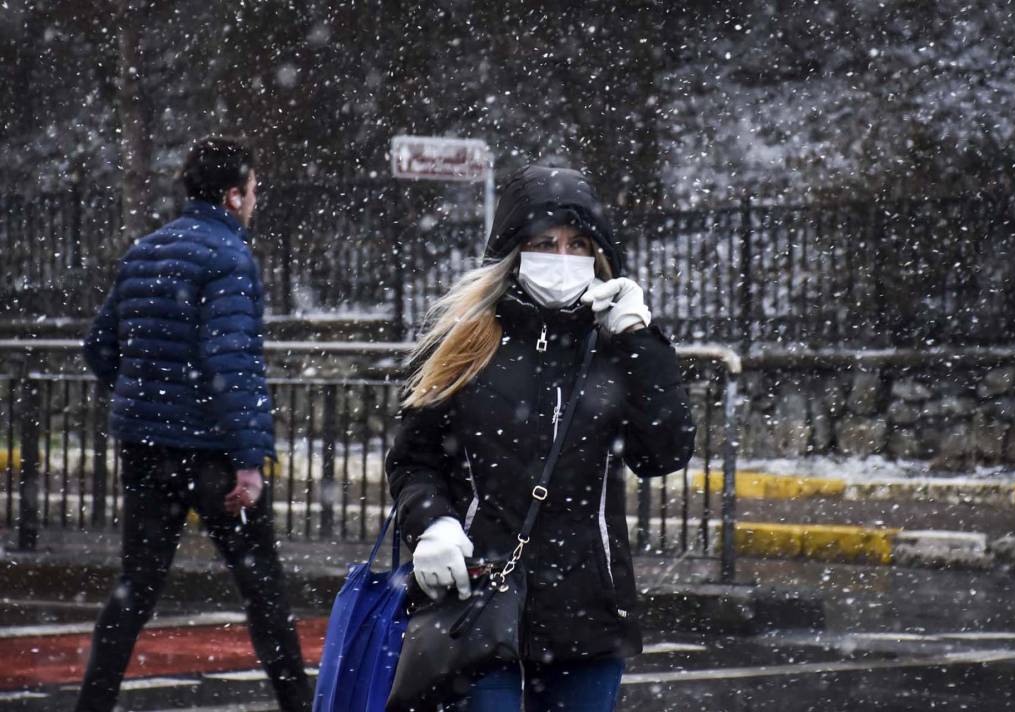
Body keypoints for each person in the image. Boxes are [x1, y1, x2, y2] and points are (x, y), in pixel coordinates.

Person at [386, 165, 695, 711]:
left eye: (578, 243)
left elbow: (665, 451)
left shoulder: (616, 346)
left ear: (599, 256)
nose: (563, 256)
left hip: (588, 606)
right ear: (515, 251)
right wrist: (432, 523)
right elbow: (414, 459)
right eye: (545, 242)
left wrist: (642, 342)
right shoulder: (467, 342)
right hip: (478, 597)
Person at [76, 137, 311, 712]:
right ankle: (298, 704)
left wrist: (147, 398)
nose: (255, 202)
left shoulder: (143, 253)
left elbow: (99, 348)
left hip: (145, 446)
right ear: (233, 196)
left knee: (135, 589)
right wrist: (249, 461)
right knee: (262, 591)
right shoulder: (229, 259)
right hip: (211, 454)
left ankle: (93, 704)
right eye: (252, 191)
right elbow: (231, 360)